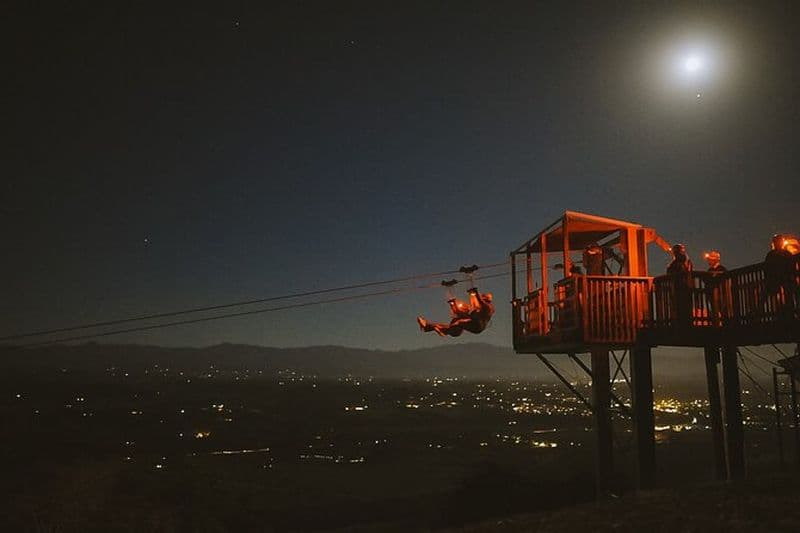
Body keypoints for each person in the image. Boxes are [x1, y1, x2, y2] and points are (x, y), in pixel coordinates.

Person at [417, 288, 495, 337]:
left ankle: (442, 330)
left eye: (483, 297)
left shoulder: (488, 307)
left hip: (477, 326)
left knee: (459, 322)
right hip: (471, 325)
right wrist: (452, 303)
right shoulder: (477, 309)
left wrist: (475, 292)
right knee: (455, 321)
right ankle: (427, 327)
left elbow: (480, 301)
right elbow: (460, 311)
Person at [762, 234, 798, 318]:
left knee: (786, 292)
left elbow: (767, 269)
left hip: (779, 281)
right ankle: (787, 312)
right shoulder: (785, 254)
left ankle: (786, 312)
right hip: (780, 281)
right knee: (788, 292)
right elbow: (792, 266)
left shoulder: (772, 255)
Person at [667, 243, 694, 325]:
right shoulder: (688, 262)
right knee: (687, 308)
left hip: (678, 288)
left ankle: (680, 324)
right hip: (687, 288)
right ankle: (688, 324)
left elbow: (670, 271)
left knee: (679, 308)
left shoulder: (676, 263)